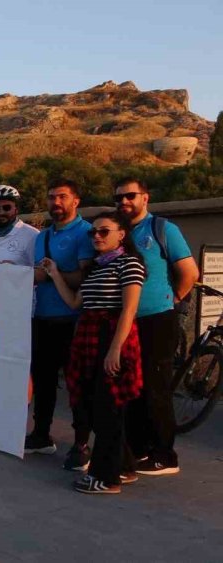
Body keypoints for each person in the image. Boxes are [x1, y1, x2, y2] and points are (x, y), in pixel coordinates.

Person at [44, 211, 145, 494]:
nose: (97, 237)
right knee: (95, 404)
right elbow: (76, 302)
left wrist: (114, 350)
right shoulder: (97, 267)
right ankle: (123, 466)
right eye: (93, 232)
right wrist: (54, 274)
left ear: (121, 234)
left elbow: (128, 309)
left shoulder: (129, 263)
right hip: (88, 335)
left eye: (104, 231)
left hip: (112, 336)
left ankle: (105, 477)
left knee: (107, 408)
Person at [115, 177, 199, 476]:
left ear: (145, 198)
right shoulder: (122, 233)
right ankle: (139, 449)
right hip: (128, 321)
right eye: (119, 198)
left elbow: (189, 271)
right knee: (134, 388)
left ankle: (165, 455)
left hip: (158, 319)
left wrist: (173, 298)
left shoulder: (162, 230)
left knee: (156, 387)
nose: (124, 202)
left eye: (130, 196)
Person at [28, 179, 96, 463]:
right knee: (43, 382)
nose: (56, 203)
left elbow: (84, 277)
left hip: (73, 320)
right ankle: (41, 434)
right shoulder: (41, 237)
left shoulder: (86, 233)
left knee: (76, 384)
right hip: (43, 318)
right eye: (51, 197)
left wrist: (52, 275)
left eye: (63, 197)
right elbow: (33, 274)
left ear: (76, 201)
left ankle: (81, 444)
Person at [0, 185, 39, 267]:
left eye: (6, 208)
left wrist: (15, 269)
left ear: (16, 209)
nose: (1, 212)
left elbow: (42, 273)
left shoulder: (32, 235)